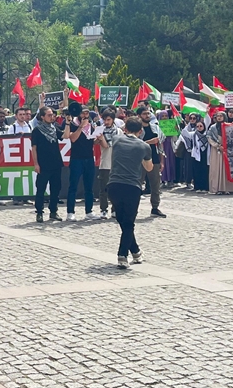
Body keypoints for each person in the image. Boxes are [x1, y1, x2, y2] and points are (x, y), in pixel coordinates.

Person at [104, 117, 154, 269]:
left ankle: (136, 251)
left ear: (125, 128)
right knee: (129, 223)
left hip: (113, 185)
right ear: (140, 131)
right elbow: (149, 167)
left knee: (122, 220)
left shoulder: (116, 139)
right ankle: (122, 255)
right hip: (132, 186)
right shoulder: (144, 146)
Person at [31, 105, 63, 222]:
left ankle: (53, 211)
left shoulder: (54, 128)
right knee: (41, 188)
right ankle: (39, 212)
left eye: (52, 115)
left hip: (56, 163)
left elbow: (64, 136)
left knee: (56, 188)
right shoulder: (37, 130)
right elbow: (34, 148)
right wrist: (36, 164)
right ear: (43, 117)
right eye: (49, 115)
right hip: (43, 164)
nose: (52, 117)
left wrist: (68, 123)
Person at [63, 104, 95, 221]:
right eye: (83, 113)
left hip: (89, 158)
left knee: (89, 187)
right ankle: (70, 212)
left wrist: (99, 137)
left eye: (87, 113)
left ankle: (89, 211)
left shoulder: (91, 125)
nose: (85, 115)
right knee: (73, 186)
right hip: (76, 159)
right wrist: (81, 126)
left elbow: (92, 141)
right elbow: (73, 138)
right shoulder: (73, 124)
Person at [137, 106, 166, 217]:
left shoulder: (155, 128)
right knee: (137, 185)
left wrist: (161, 161)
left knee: (155, 185)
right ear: (139, 116)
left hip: (154, 159)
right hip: (140, 160)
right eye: (144, 114)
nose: (147, 116)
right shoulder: (137, 129)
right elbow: (135, 143)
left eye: (148, 114)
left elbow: (160, 145)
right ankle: (134, 207)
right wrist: (149, 142)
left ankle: (155, 207)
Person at [206, 111, 233, 194]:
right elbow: (209, 137)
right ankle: (216, 188)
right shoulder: (212, 127)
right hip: (216, 150)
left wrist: (226, 146)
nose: (219, 117)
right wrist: (217, 145)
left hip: (227, 150)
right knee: (216, 168)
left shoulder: (229, 126)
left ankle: (227, 188)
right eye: (217, 116)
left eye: (221, 116)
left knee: (226, 169)